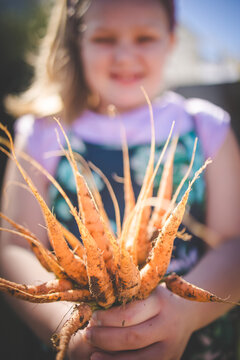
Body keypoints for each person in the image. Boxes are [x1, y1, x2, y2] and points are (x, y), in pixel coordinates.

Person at [1, 0, 240, 359]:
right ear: (76, 41)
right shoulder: (42, 132)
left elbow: (234, 243)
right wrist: (71, 334)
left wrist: (185, 314)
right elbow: (13, 247)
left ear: (171, 39)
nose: (125, 55)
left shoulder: (205, 128)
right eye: (105, 38)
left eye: (144, 37)